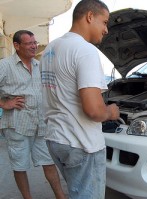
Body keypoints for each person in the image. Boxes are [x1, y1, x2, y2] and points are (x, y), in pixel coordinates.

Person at [39, 0, 120, 198]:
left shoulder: (51, 48)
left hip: (57, 139)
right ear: (89, 17)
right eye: (104, 22)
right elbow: (93, 110)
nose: (106, 30)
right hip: (81, 143)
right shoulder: (86, 51)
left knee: (77, 192)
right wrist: (111, 112)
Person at [0, 30, 66, 199]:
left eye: (34, 42)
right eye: (29, 43)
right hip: (17, 125)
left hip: (40, 125)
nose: (34, 46)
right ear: (16, 45)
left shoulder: (39, 66)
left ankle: (60, 197)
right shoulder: (5, 65)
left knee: (49, 162)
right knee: (20, 166)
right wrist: (4, 103)